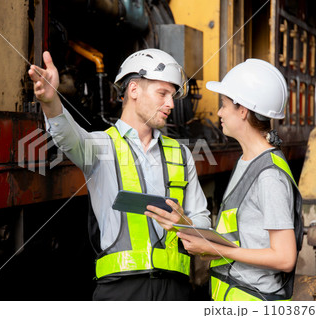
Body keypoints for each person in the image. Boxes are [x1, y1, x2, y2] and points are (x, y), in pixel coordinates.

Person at [28, 49, 211, 301]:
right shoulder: (101, 146)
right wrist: (50, 102)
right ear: (134, 90)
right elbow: (69, 137)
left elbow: (202, 219)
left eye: (172, 95)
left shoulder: (181, 154)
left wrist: (185, 224)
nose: (170, 103)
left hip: (175, 290)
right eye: (163, 93)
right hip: (120, 291)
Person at [174, 59, 303, 301]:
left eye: (223, 105)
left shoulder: (269, 176)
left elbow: (285, 258)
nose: (219, 112)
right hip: (236, 296)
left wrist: (215, 250)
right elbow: (243, 235)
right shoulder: (248, 161)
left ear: (242, 110)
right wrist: (188, 226)